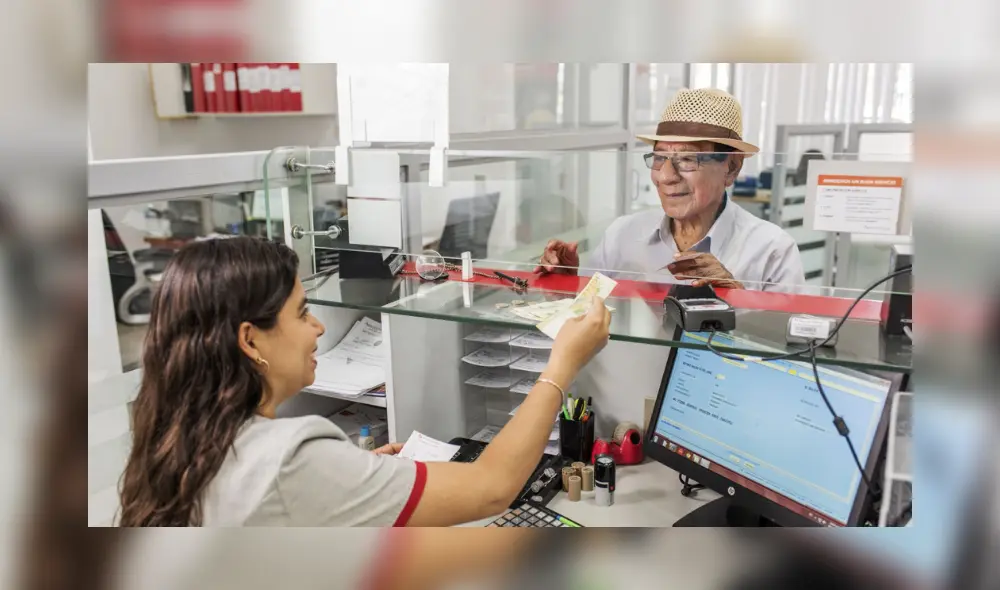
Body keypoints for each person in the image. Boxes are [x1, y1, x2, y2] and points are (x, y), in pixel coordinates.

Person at [117, 236, 610, 527]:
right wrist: (561, 364)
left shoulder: (172, 437)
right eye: (302, 312)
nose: (319, 327)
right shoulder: (290, 457)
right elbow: (492, 488)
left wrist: (346, 480)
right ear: (250, 341)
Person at [536, 88, 805, 292]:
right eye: (659, 158)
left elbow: (787, 353)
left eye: (688, 159)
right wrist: (566, 285)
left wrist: (733, 298)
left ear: (731, 168)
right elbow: (587, 319)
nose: (665, 177)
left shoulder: (771, 251)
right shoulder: (622, 235)